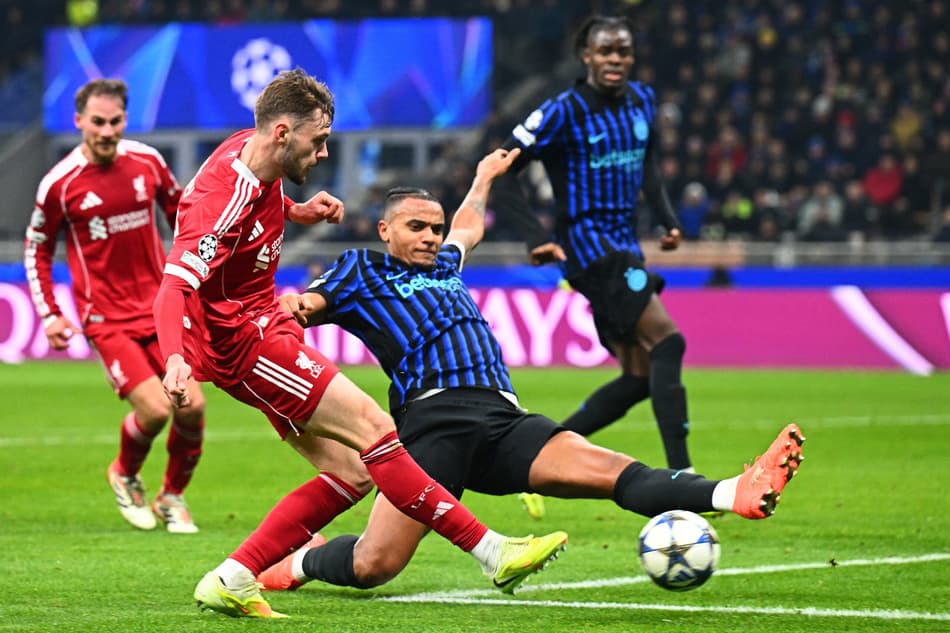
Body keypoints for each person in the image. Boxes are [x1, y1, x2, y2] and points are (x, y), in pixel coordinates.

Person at [248, 147, 804, 595]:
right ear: (385, 230)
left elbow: (469, 226)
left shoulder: (445, 263)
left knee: (616, 472)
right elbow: (305, 306)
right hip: (432, 424)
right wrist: (295, 308)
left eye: (434, 229)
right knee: (375, 565)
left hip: (503, 418)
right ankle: (299, 563)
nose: (430, 237)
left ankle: (734, 492)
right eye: (416, 227)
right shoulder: (359, 271)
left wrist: (484, 177)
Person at [151, 69, 566, 619]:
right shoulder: (220, 198)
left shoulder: (250, 153)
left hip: (256, 328)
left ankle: (232, 577)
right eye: (317, 141)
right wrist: (174, 358)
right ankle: (492, 551)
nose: (323, 153)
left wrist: (297, 212)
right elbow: (176, 285)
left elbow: (250, 215)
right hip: (247, 341)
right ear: (281, 132)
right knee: (377, 431)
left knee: (352, 470)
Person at [492, 16, 696, 480]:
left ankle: (533, 460)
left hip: (625, 249)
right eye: (606, 52)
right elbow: (502, 169)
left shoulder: (642, 101)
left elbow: (649, 166)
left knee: (640, 376)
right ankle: (684, 477)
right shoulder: (562, 110)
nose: (615, 61)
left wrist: (666, 218)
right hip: (590, 251)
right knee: (669, 341)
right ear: (586, 55)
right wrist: (536, 236)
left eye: (622, 52)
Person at [24, 78, 205, 534]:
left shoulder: (148, 162)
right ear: (79, 121)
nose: (107, 131)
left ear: (126, 119)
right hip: (106, 319)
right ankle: (124, 473)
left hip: (158, 308)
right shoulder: (59, 184)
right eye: (98, 122)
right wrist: (50, 313)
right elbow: (37, 248)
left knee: (192, 409)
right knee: (156, 410)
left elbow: (182, 215)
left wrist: (195, 275)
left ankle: (173, 497)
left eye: (116, 121)